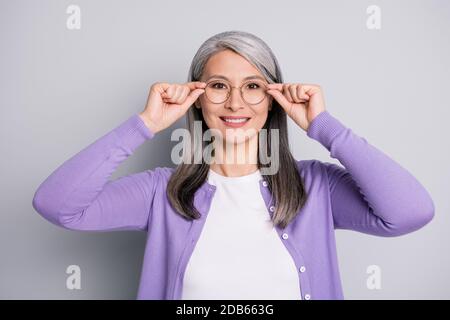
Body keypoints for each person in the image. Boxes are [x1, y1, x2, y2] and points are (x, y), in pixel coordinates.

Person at [32, 30, 435, 300]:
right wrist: (145, 125)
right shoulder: (162, 191)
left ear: (273, 98)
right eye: (219, 86)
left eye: (254, 87)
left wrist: (322, 126)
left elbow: (409, 213)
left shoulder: (316, 187)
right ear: (197, 97)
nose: (236, 104)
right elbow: (58, 205)